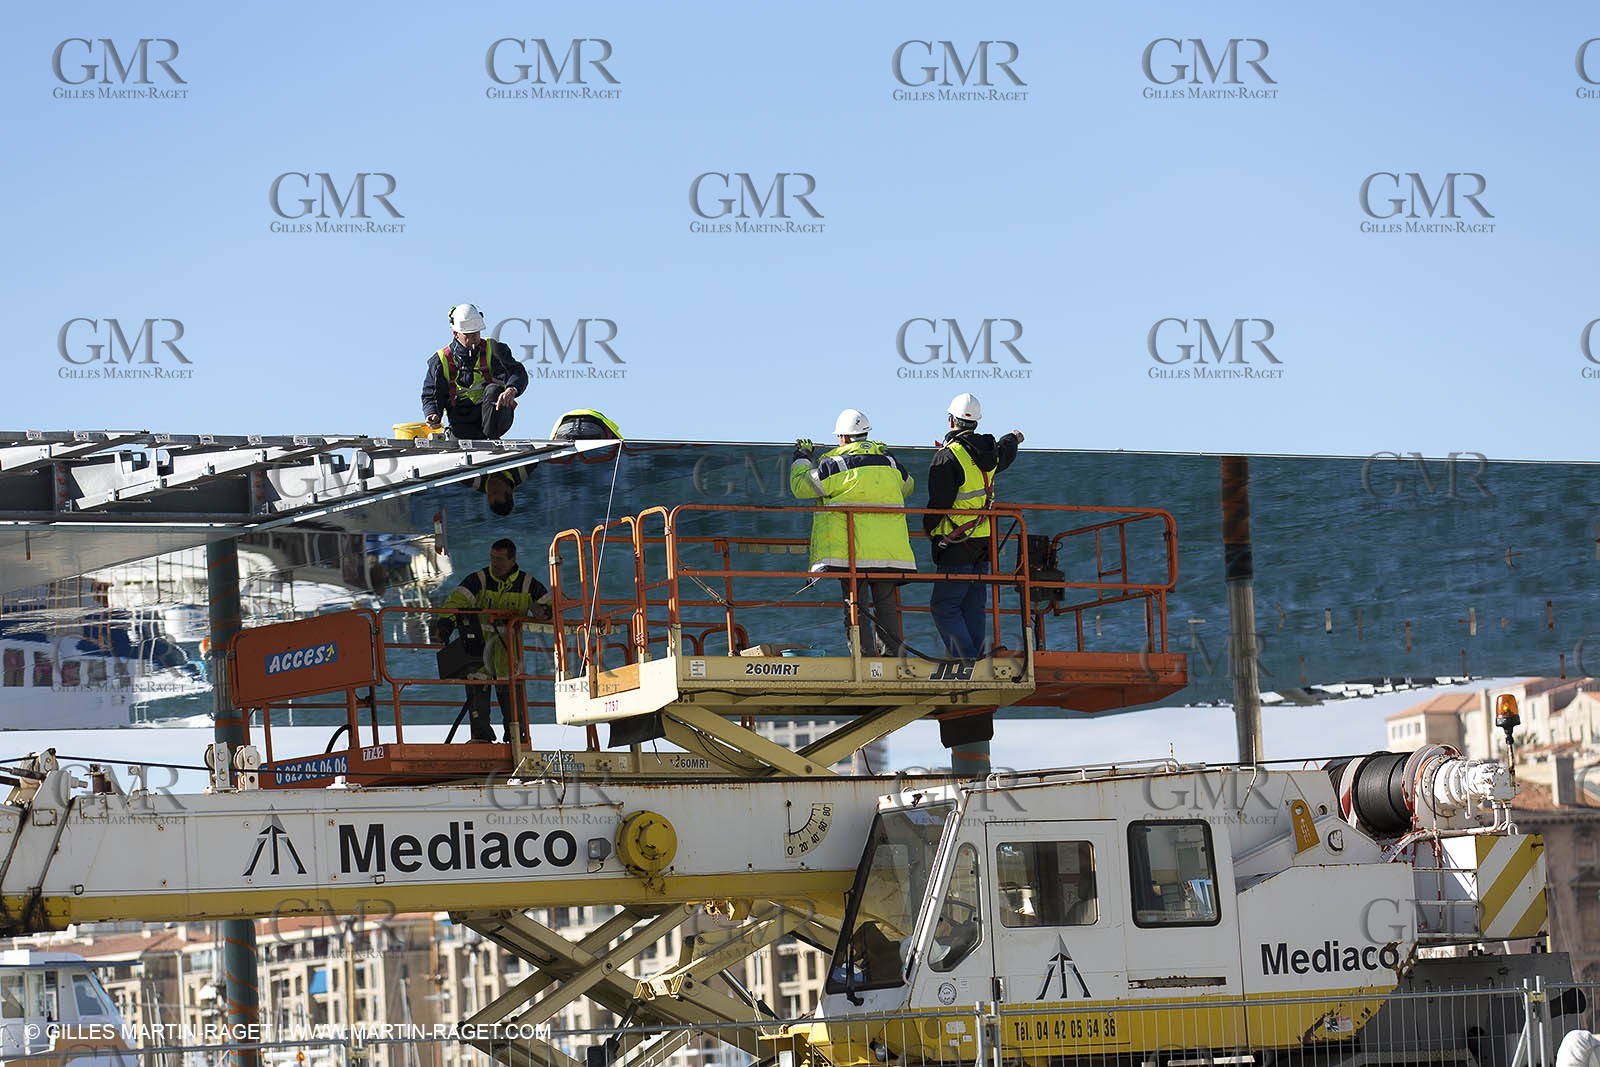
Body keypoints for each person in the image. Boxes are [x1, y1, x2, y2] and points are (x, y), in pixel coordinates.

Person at [790, 409, 915, 656]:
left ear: (844, 438)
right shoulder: (890, 463)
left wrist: (802, 457)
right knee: (887, 607)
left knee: (855, 606)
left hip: (852, 552)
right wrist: (885, 454)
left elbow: (801, 486)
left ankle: (865, 658)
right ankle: (893, 657)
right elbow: (908, 486)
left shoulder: (836, 464)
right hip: (889, 552)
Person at [923, 393, 1023, 659]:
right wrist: (1013, 437)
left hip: (957, 539)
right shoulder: (990, 452)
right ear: (976, 423)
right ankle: (975, 657)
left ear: (950, 420)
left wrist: (929, 528)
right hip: (984, 538)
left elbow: (939, 501)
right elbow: (1006, 450)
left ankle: (966, 659)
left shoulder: (948, 456)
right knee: (972, 604)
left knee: (944, 605)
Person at [433, 538, 551, 742]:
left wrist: (542, 612)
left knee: (512, 704)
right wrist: (445, 624)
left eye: (500, 559)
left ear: (512, 560)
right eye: (492, 558)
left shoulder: (528, 584)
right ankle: (481, 739)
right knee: (477, 703)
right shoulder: (478, 580)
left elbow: (547, 608)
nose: (495, 564)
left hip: (508, 655)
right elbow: (455, 603)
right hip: (478, 651)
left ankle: (516, 738)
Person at [420, 304, 530, 440]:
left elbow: (517, 372)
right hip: (461, 423)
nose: (474, 337)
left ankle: (490, 438)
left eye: (477, 332)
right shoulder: (441, 361)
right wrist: (433, 414)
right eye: (468, 334)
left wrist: (511, 389)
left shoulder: (494, 350)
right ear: (455, 333)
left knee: (494, 390)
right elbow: (431, 394)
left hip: (492, 420)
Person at [550, 409, 623, 440]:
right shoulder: (602, 419)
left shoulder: (564, 417)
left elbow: (552, 437)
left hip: (564, 429)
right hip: (592, 428)